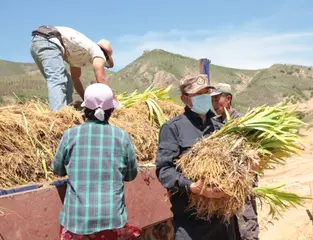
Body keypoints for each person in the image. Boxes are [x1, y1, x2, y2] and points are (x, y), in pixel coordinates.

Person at [51, 83, 141, 240]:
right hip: (112, 221)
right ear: (111, 111)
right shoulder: (122, 137)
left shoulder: (70, 135)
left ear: (85, 109)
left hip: (76, 221)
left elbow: (57, 170)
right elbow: (131, 175)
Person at [155, 74, 240, 240]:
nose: (205, 98)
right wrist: (193, 186)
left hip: (222, 221)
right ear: (185, 99)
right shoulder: (172, 128)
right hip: (191, 225)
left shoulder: (221, 128)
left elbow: (235, 163)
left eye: (206, 93)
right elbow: (164, 170)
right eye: (198, 94)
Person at [211, 83, 259, 240]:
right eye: (212, 100)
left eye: (217, 99)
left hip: (241, 183)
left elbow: (253, 152)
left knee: (245, 224)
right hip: (223, 184)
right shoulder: (215, 123)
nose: (214, 103)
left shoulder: (242, 122)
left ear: (228, 98)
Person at [30, 25, 115, 111]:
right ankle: (59, 114)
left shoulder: (81, 54)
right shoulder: (98, 51)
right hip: (48, 40)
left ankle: (67, 111)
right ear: (106, 56)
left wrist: (86, 100)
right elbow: (101, 79)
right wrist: (114, 101)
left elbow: (76, 79)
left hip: (38, 42)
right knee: (58, 79)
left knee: (68, 82)